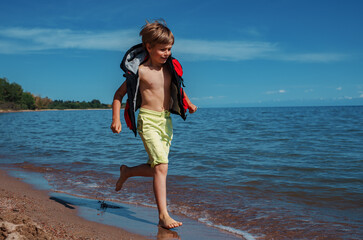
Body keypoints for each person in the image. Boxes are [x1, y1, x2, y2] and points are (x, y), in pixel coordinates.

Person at [110, 20, 197, 229]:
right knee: (162, 166)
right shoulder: (140, 71)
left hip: (166, 122)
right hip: (147, 120)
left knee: (158, 167)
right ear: (148, 47)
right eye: (163, 49)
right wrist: (116, 119)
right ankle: (163, 215)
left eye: (169, 49)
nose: (167, 53)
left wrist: (189, 103)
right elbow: (118, 95)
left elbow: (178, 87)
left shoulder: (169, 69)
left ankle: (128, 172)